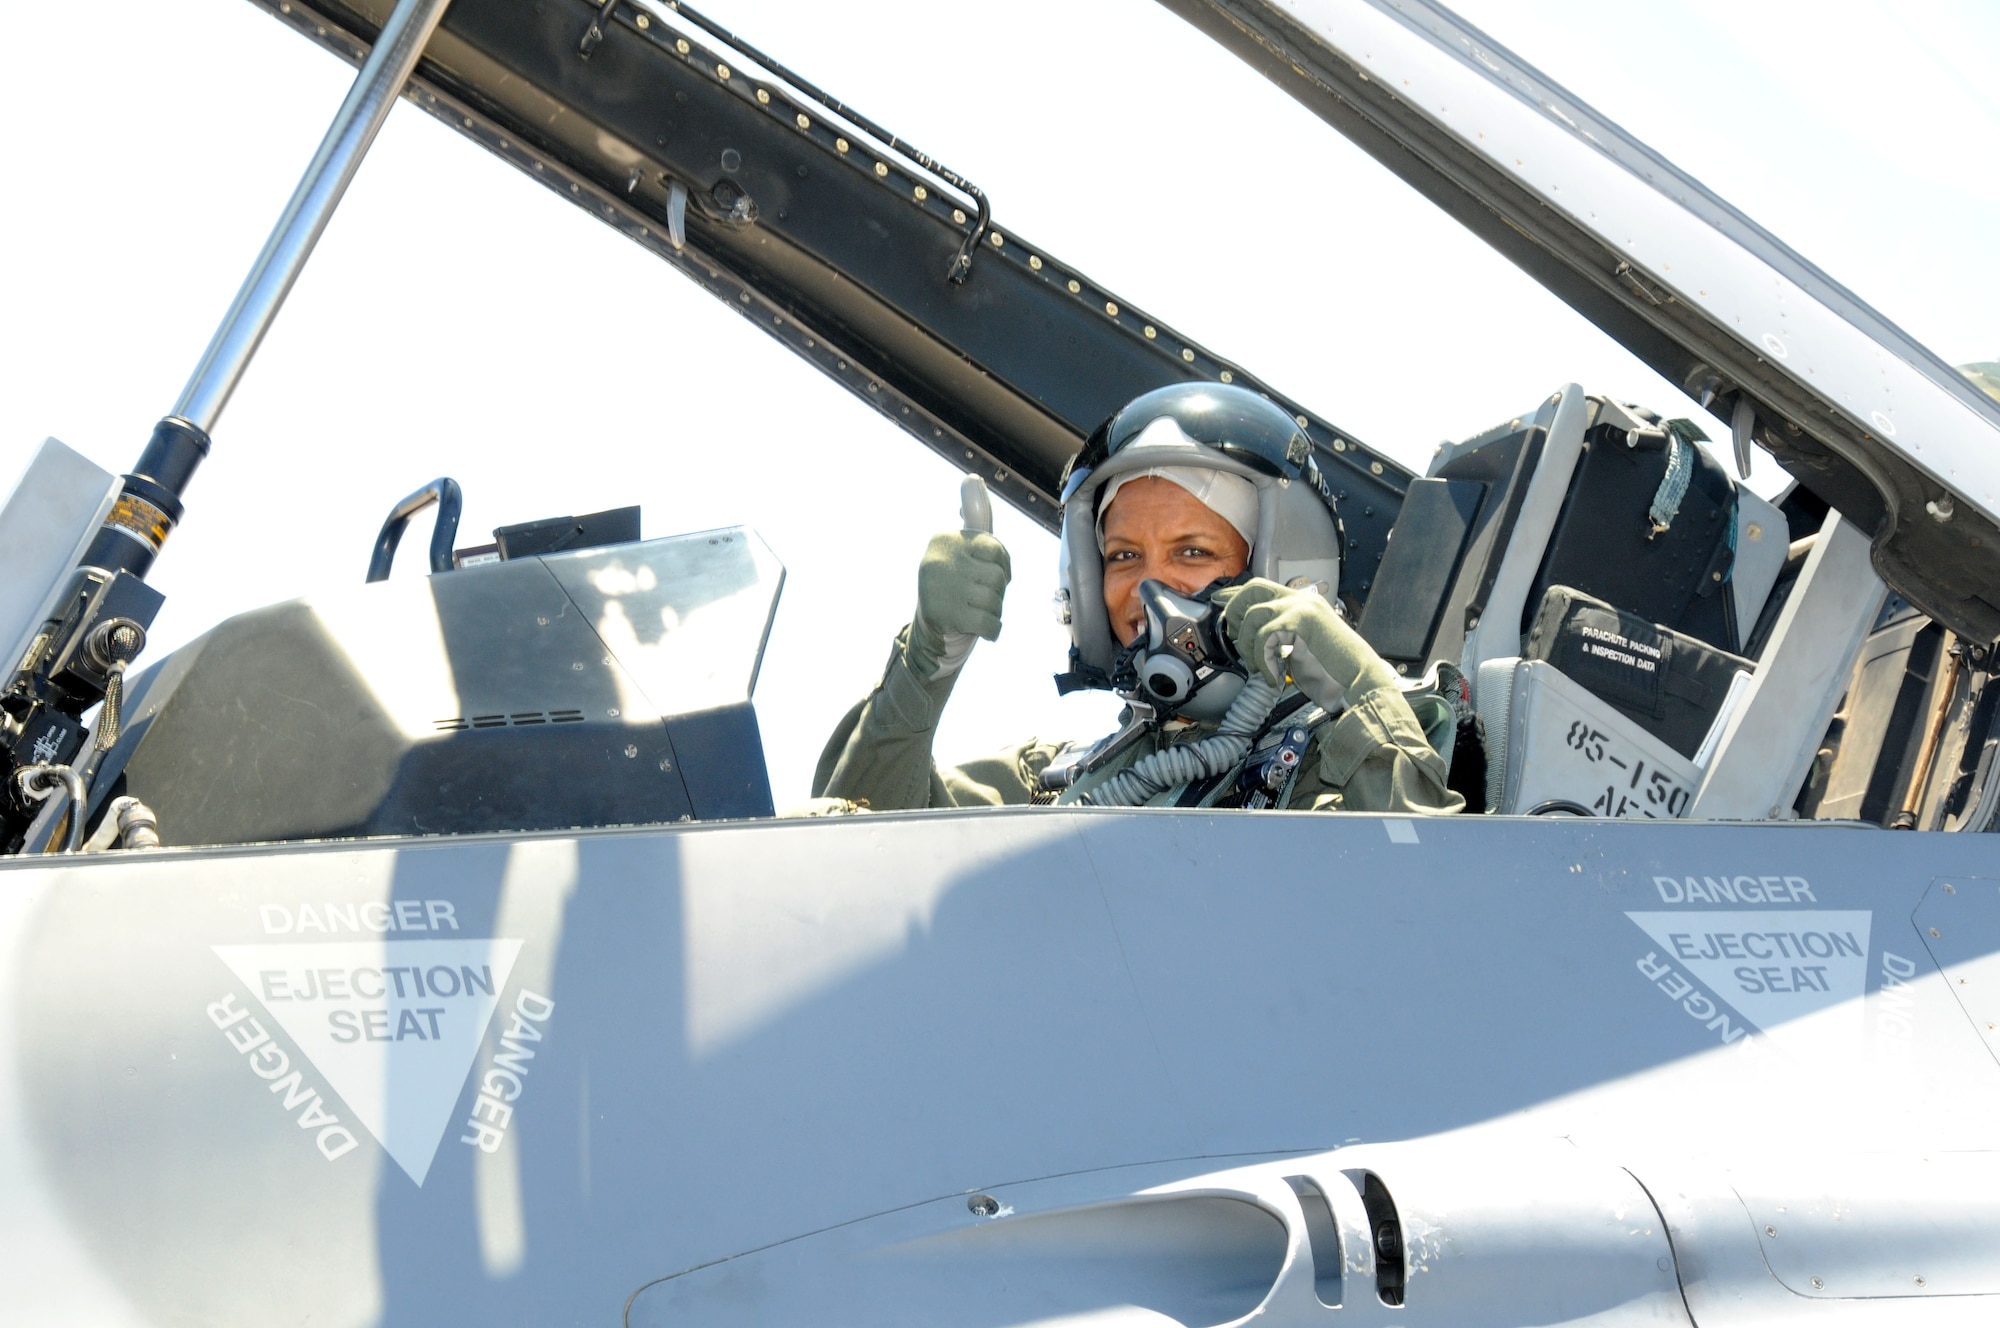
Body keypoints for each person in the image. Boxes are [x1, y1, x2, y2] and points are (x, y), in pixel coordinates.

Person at [811, 383, 1464, 814]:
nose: (1149, 589)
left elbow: (1434, 920)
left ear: (1287, 575)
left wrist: (1359, 698)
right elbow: (853, 864)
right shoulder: (1057, 779)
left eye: (1193, 552)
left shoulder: (1385, 743)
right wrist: (927, 663)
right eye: (1123, 557)